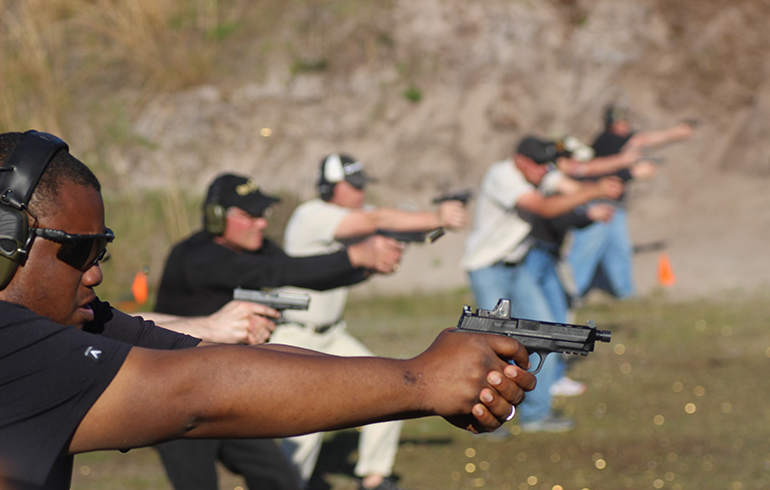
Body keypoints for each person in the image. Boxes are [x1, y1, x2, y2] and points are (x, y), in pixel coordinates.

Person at [0, 130, 536, 490]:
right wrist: (420, 380)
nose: (94, 273)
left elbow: (202, 357)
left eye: (101, 253)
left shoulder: (70, 319)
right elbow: (197, 388)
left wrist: (419, 377)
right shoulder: (196, 257)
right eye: (75, 251)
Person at [151, 172, 409, 490]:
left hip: (225, 393)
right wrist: (355, 256)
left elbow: (301, 273)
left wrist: (367, 266)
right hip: (177, 396)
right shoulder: (195, 256)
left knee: (280, 480)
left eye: (263, 215)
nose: (261, 223)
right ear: (216, 218)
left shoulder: (258, 251)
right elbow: (281, 271)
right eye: (250, 215)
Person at [274, 153, 468, 490]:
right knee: (304, 425)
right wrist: (436, 215)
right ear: (329, 187)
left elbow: (388, 230)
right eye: (354, 186)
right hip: (295, 334)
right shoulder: (312, 214)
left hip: (333, 335)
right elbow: (376, 219)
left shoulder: (353, 218)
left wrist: (430, 229)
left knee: (391, 387)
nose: (361, 193)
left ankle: (374, 478)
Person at [461, 135, 623, 433]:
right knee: (493, 347)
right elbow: (544, 208)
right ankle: (486, 420)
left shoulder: (540, 173)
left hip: (518, 268)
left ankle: (537, 415)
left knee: (548, 334)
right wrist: (594, 191)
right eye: (537, 164)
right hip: (488, 268)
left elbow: (569, 186)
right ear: (519, 160)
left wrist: (599, 193)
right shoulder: (502, 175)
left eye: (545, 164)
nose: (542, 170)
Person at [566, 105, 694, 299]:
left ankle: (625, 294)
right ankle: (569, 293)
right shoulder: (608, 140)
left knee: (620, 251)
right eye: (621, 122)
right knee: (585, 253)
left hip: (615, 207)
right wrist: (675, 133)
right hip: (598, 204)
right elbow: (635, 145)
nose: (626, 126)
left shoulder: (615, 142)